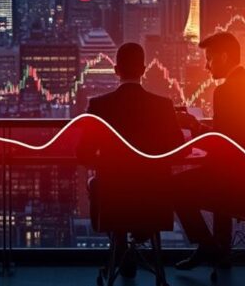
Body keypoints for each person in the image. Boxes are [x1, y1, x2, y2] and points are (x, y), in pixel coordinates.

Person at [77, 42, 185, 277]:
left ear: (116, 70)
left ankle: (122, 250)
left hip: (115, 197)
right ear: (144, 69)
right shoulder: (164, 106)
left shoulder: (99, 106)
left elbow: (83, 154)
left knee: (99, 185)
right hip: (153, 199)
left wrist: (107, 162)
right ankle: (137, 243)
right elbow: (177, 149)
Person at [172, 31, 245, 270]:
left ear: (225, 57)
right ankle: (219, 251)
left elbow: (222, 141)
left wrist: (192, 126)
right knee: (215, 172)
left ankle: (208, 246)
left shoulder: (226, 91)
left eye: (209, 59)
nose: (207, 67)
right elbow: (235, 134)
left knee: (176, 187)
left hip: (236, 178)